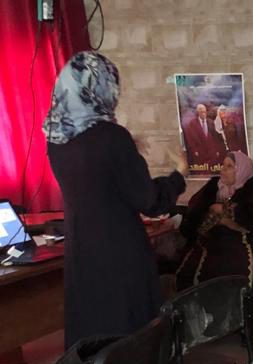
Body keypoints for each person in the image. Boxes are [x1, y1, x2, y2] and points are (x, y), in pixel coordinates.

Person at [45, 50, 186, 348]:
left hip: (82, 248)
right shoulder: (112, 137)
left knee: (93, 323)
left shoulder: (56, 138)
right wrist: (179, 174)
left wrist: (126, 149)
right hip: (119, 250)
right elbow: (150, 201)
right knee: (128, 330)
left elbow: (94, 175)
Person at [174, 150, 253, 291]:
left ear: (241, 170)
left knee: (236, 267)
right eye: (223, 165)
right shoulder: (213, 186)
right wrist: (215, 213)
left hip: (240, 242)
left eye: (229, 166)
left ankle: (235, 304)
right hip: (210, 240)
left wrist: (226, 215)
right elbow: (195, 211)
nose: (223, 170)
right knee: (192, 268)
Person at [182, 103, 226, 171]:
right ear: (198, 113)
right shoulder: (192, 124)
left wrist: (217, 150)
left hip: (211, 153)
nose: (203, 114)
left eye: (204, 112)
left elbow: (216, 138)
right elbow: (191, 140)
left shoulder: (211, 123)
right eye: (201, 112)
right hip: (200, 153)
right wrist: (195, 151)